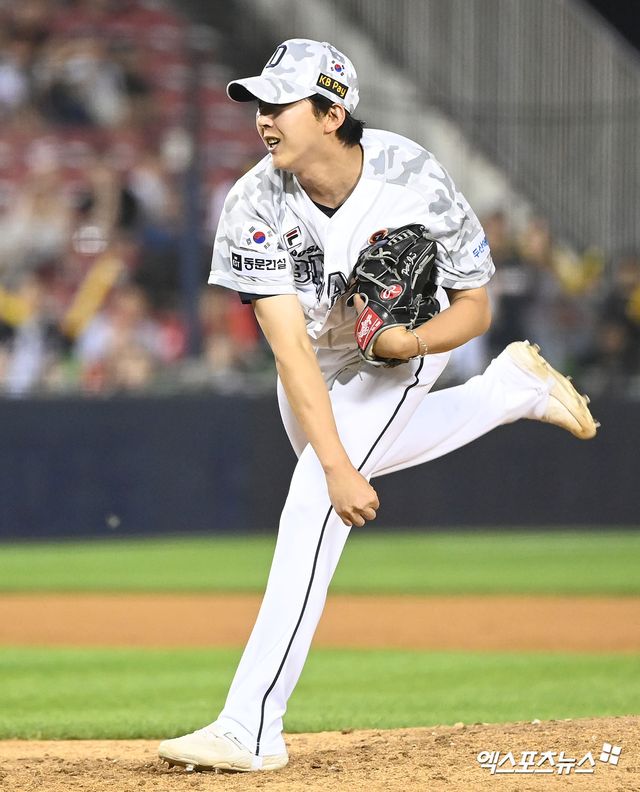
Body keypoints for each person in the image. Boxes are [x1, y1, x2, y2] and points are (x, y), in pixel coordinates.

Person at [158, 39, 597, 773]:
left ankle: (251, 726)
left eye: (280, 103)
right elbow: (292, 354)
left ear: (332, 113)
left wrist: (409, 343)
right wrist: (337, 465)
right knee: (329, 472)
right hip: (318, 352)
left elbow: (476, 306)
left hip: (406, 351)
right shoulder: (252, 203)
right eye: (259, 104)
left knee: (312, 502)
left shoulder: (413, 176)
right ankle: (510, 391)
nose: (263, 118)